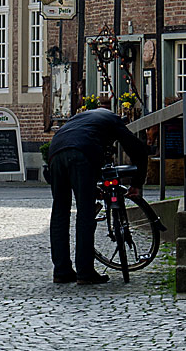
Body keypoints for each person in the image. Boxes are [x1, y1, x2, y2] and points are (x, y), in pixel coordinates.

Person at [47, 106, 149, 285]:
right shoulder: (113, 120)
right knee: (85, 213)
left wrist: (93, 187)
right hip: (82, 153)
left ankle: (61, 271)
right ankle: (85, 272)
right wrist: (137, 184)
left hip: (56, 151)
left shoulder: (80, 120)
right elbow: (137, 150)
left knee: (60, 213)